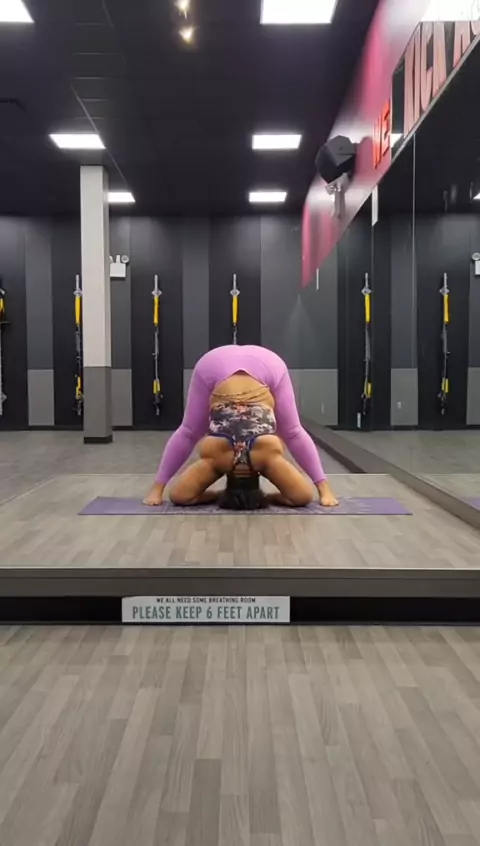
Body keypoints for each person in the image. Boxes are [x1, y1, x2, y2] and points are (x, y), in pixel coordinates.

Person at [143, 345, 338, 508]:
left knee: (190, 430)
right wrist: (322, 489)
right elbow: (293, 437)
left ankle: (156, 488)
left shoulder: (244, 459)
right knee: (291, 430)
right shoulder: (241, 459)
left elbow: (188, 437)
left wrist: (158, 489)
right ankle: (324, 488)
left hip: (217, 364)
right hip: (264, 365)